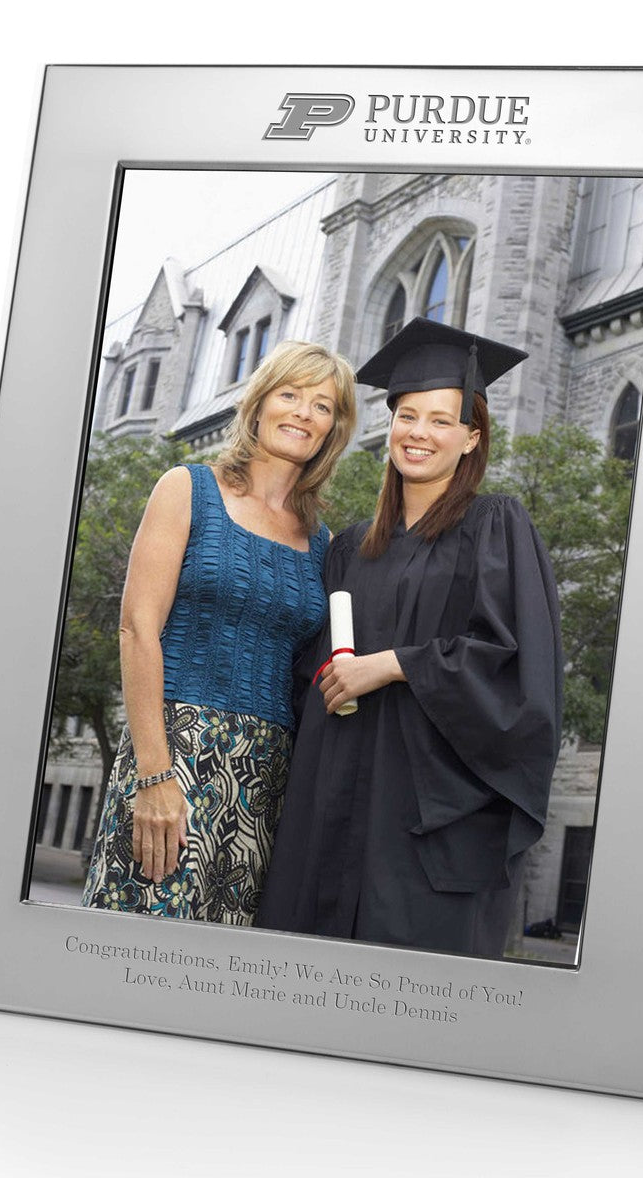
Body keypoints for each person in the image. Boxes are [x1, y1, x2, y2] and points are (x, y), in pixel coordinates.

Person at [257, 318, 564, 958]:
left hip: (428, 823)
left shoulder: (496, 527)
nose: (419, 432)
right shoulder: (349, 547)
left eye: (441, 420)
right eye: (407, 416)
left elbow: (519, 671)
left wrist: (395, 664)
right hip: (331, 804)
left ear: (471, 438)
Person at [83, 340, 358, 925]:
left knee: (223, 958)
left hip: (266, 776)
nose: (304, 413)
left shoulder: (323, 541)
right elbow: (137, 629)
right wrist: (154, 775)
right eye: (290, 395)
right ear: (259, 403)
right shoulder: (188, 489)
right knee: (137, 942)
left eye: (323, 406)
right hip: (174, 753)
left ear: (334, 429)